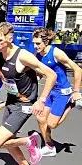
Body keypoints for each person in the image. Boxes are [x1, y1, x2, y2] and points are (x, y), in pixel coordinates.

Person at [0, 22, 57, 165]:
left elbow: (51, 75)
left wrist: (41, 100)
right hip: (11, 101)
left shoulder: (23, 56)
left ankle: (30, 141)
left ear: (10, 38)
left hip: (24, 105)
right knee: (9, 141)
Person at [33, 28, 82, 157]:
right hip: (51, 91)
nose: (35, 46)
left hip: (63, 92)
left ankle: (70, 104)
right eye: (34, 43)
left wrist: (76, 91)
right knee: (40, 117)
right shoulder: (38, 54)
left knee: (51, 124)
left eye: (38, 43)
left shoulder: (56, 53)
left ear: (46, 41)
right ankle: (49, 146)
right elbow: (39, 73)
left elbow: (77, 69)